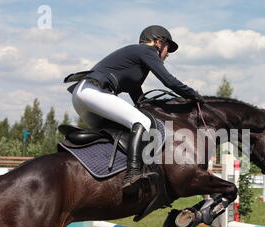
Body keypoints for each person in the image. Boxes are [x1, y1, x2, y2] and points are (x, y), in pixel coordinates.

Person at [65, 25, 204, 192]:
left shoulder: (136, 63)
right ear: (158, 42)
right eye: (168, 48)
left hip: (82, 94)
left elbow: (139, 98)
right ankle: (133, 174)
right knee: (141, 121)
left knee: (117, 130)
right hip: (93, 91)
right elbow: (169, 81)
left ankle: (102, 171)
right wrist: (193, 95)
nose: (167, 55)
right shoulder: (147, 51)